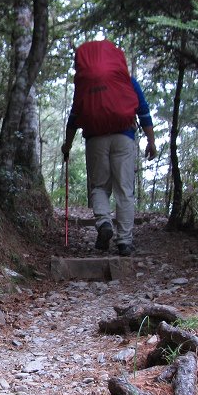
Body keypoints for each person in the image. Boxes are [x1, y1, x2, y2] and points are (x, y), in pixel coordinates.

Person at [60, 45, 157, 257]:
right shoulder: (127, 81)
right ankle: (124, 242)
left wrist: (67, 146)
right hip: (124, 137)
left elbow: (74, 118)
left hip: (96, 140)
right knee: (124, 190)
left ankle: (104, 222)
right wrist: (151, 141)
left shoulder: (85, 86)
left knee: (100, 187)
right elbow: (144, 113)